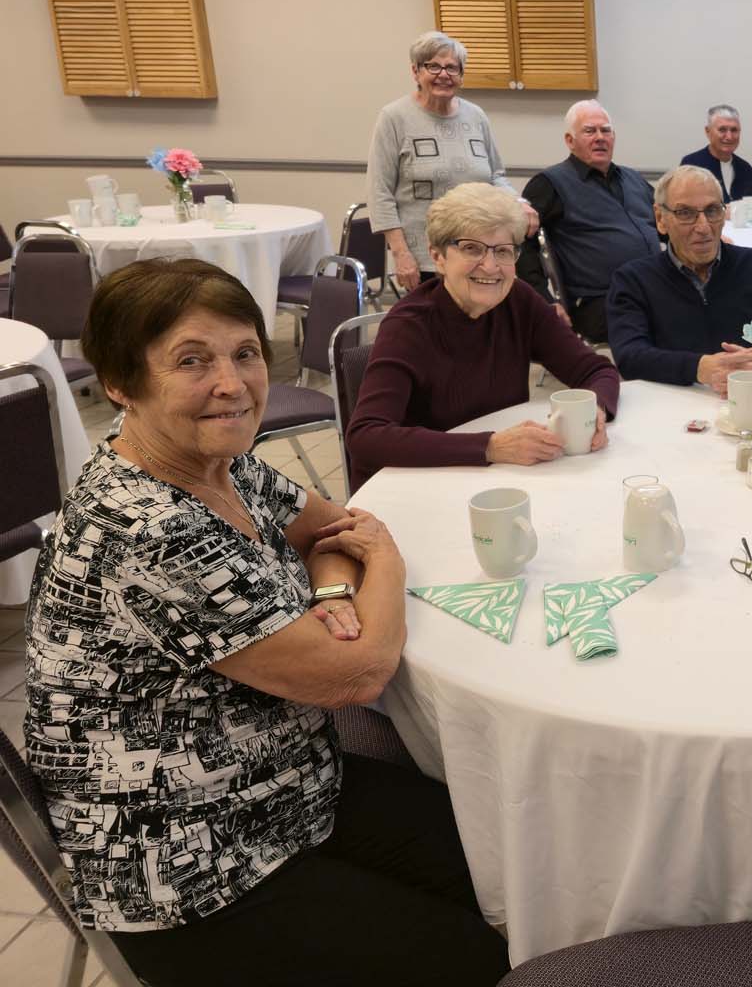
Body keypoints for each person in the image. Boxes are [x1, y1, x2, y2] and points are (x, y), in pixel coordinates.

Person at [25, 258, 507, 987]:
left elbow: (328, 533)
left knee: (515, 866)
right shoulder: (145, 527)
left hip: (288, 782)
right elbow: (358, 672)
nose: (232, 383)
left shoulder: (223, 461)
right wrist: (386, 565)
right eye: (192, 361)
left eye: (245, 353)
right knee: (479, 962)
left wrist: (334, 591)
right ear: (122, 385)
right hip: (190, 868)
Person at [347, 182, 620, 492]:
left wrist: (594, 409)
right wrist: (491, 446)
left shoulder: (519, 301)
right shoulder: (408, 326)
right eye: (471, 248)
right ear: (438, 257)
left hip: (500, 481)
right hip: (420, 487)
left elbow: (596, 370)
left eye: (503, 251)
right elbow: (367, 437)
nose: (490, 266)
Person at [366, 31, 537, 292]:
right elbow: (380, 193)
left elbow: (495, 176)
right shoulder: (394, 118)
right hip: (425, 255)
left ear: (461, 75)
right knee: (435, 328)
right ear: (416, 71)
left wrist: (519, 202)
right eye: (433, 66)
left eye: (452, 68)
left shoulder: (475, 116)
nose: (443, 74)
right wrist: (401, 254)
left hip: (478, 250)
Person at [607, 165, 752, 394]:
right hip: (673, 408)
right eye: (685, 213)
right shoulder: (633, 280)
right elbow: (629, 356)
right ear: (660, 219)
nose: (703, 227)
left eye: (713, 210)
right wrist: (699, 368)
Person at [516, 100, 660, 344]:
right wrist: (544, 301)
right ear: (570, 141)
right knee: (679, 316)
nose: (600, 137)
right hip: (601, 300)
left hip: (653, 287)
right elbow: (521, 244)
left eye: (606, 130)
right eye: (589, 131)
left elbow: (667, 224)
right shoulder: (550, 184)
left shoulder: (633, 179)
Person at [680, 103, 752, 203]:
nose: (729, 137)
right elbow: (683, 208)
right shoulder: (691, 165)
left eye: (734, 130)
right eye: (722, 130)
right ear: (708, 131)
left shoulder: (745, 169)